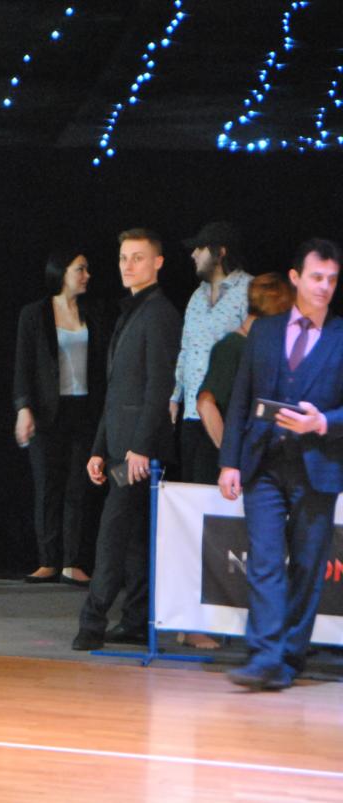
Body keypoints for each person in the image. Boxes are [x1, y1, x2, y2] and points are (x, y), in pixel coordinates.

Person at [218, 239, 343, 691]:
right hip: (264, 463)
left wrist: (322, 422)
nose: (324, 286)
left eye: (332, 279)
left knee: (307, 568)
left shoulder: (341, 336)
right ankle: (266, 656)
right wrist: (229, 462)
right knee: (266, 561)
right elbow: (240, 399)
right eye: (316, 277)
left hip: (318, 467)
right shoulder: (266, 332)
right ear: (295, 278)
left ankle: (289, 657)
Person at [72, 229, 181, 651]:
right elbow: (117, 391)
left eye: (137, 257)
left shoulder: (160, 314)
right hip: (120, 446)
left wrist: (142, 448)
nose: (127, 265)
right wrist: (99, 449)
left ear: (158, 263)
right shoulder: (130, 312)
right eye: (123, 257)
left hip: (139, 451)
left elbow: (160, 387)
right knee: (133, 539)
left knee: (113, 535)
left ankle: (92, 620)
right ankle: (135, 619)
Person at [13, 248, 107, 587]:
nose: (86, 275)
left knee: (78, 486)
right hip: (47, 411)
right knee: (47, 486)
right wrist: (23, 408)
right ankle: (48, 559)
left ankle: (72, 561)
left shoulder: (93, 313)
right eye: (80, 269)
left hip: (84, 409)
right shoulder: (34, 314)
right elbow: (23, 364)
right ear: (62, 271)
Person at [170, 222, 252, 483]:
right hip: (192, 413)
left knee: (220, 494)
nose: (193, 254)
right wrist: (175, 396)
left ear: (220, 252)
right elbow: (185, 349)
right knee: (190, 490)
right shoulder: (197, 296)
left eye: (200, 248)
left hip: (225, 412)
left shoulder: (249, 291)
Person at [196, 273, 294, 451]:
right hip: (225, 462)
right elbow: (206, 404)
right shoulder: (231, 347)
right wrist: (230, 455)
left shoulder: (258, 347)